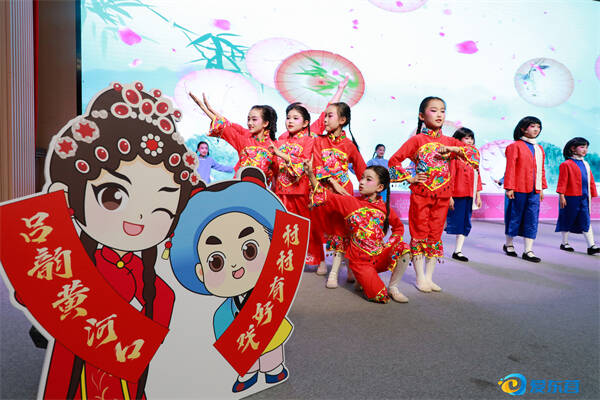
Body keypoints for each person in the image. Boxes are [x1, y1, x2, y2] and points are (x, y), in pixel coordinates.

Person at [42, 81, 199, 399]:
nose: (139, 217)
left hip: (126, 365)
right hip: (81, 364)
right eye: (113, 195)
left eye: (161, 207)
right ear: (70, 194)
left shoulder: (151, 283)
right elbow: (37, 294)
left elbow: (162, 313)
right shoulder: (70, 267)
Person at [170, 168, 291, 393]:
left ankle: (273, 368)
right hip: (236, 322)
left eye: (249, 250)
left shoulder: (272, 288)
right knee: (237, 344)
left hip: (265, 309)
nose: (236, 265)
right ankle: (248, 372)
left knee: (271, 340)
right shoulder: (222, 313)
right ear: (200, 272)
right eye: (216, 261)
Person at [388, 96, 480, 293]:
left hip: (443, 195)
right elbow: (394, 160)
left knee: (435, 235)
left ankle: (429, 277)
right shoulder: (416, 140)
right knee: (419, 233)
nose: (439, 114)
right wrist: (410, 178)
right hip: (421, 194)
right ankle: (420, 277)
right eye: (434, 110)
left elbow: (474, 155)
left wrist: (453, 149)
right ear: (422, 116)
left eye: (442, 111)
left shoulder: (450, 141)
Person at [305, 162, 411, 303]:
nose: (361, 182)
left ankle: (393, 287)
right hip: (361, 262)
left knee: (404, 249)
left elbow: (398, 227)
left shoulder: (384, 208)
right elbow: (324, 194)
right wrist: (310, 174)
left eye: (368, 179)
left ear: (380, 187)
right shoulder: (350, 203)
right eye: (361, 178)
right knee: (380, 297)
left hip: (379, 255)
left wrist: (390, 244)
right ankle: (362, 279)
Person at [311, 101, 366, 286]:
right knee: (320, 228)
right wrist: (332, 181)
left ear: (342, 120)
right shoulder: (319, 141)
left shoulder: (349, 145)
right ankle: (324, 262)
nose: (325, 120)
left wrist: (370, 187)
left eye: (330, 116)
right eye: (325, 116)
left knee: (341, 231)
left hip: (343, 193)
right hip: (325, 192)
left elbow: (361, 169)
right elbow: (317, 165)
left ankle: (336, 272)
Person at [190, 92, 278, 186]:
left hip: (260, 190)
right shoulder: (244, 141)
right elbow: (225, 125)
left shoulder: (275, 147)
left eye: (254, 119)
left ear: (265, 123)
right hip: (239, 187)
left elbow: (277, 174)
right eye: (248, 119)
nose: (249, 123)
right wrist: (205, 108)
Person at [502, 116, 547, 262]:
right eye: (532, 126)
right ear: (523, 128)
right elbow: (510, 168)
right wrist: (509, 187)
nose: (536, 129)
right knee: (514, 216)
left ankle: (528, 250)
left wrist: (541, 188)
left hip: (534, 190)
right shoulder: (514, 146)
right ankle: (509, 244)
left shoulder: (539, 149)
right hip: (518, 188)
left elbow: (541, 170)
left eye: (538, 127)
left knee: (532, 218)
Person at [556, 137, 599, 255]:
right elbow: (562, 181)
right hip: (570, 197)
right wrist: (561, 196)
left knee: (586, 219)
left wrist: (592, 193)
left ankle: (591, 246)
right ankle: (564, 243)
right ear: (573, 149)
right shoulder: (566, 164)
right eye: (582, 147)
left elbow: (590, 180)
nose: (585, 150)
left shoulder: (586, 164)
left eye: (586, 147)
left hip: (584, 197)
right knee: (567, 218)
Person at [445, 128, 482, 262]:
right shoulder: (454, 157)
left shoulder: (474, 157)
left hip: (469, 195)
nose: (470, 141)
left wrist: (478, 195)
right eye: (466, 138)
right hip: (456, 195)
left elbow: (478, 176)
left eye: (471, 138)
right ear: (458, 140)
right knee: (448, 221)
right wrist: (449, 196)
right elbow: (450, 177)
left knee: (465, 223)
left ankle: (458, 251)